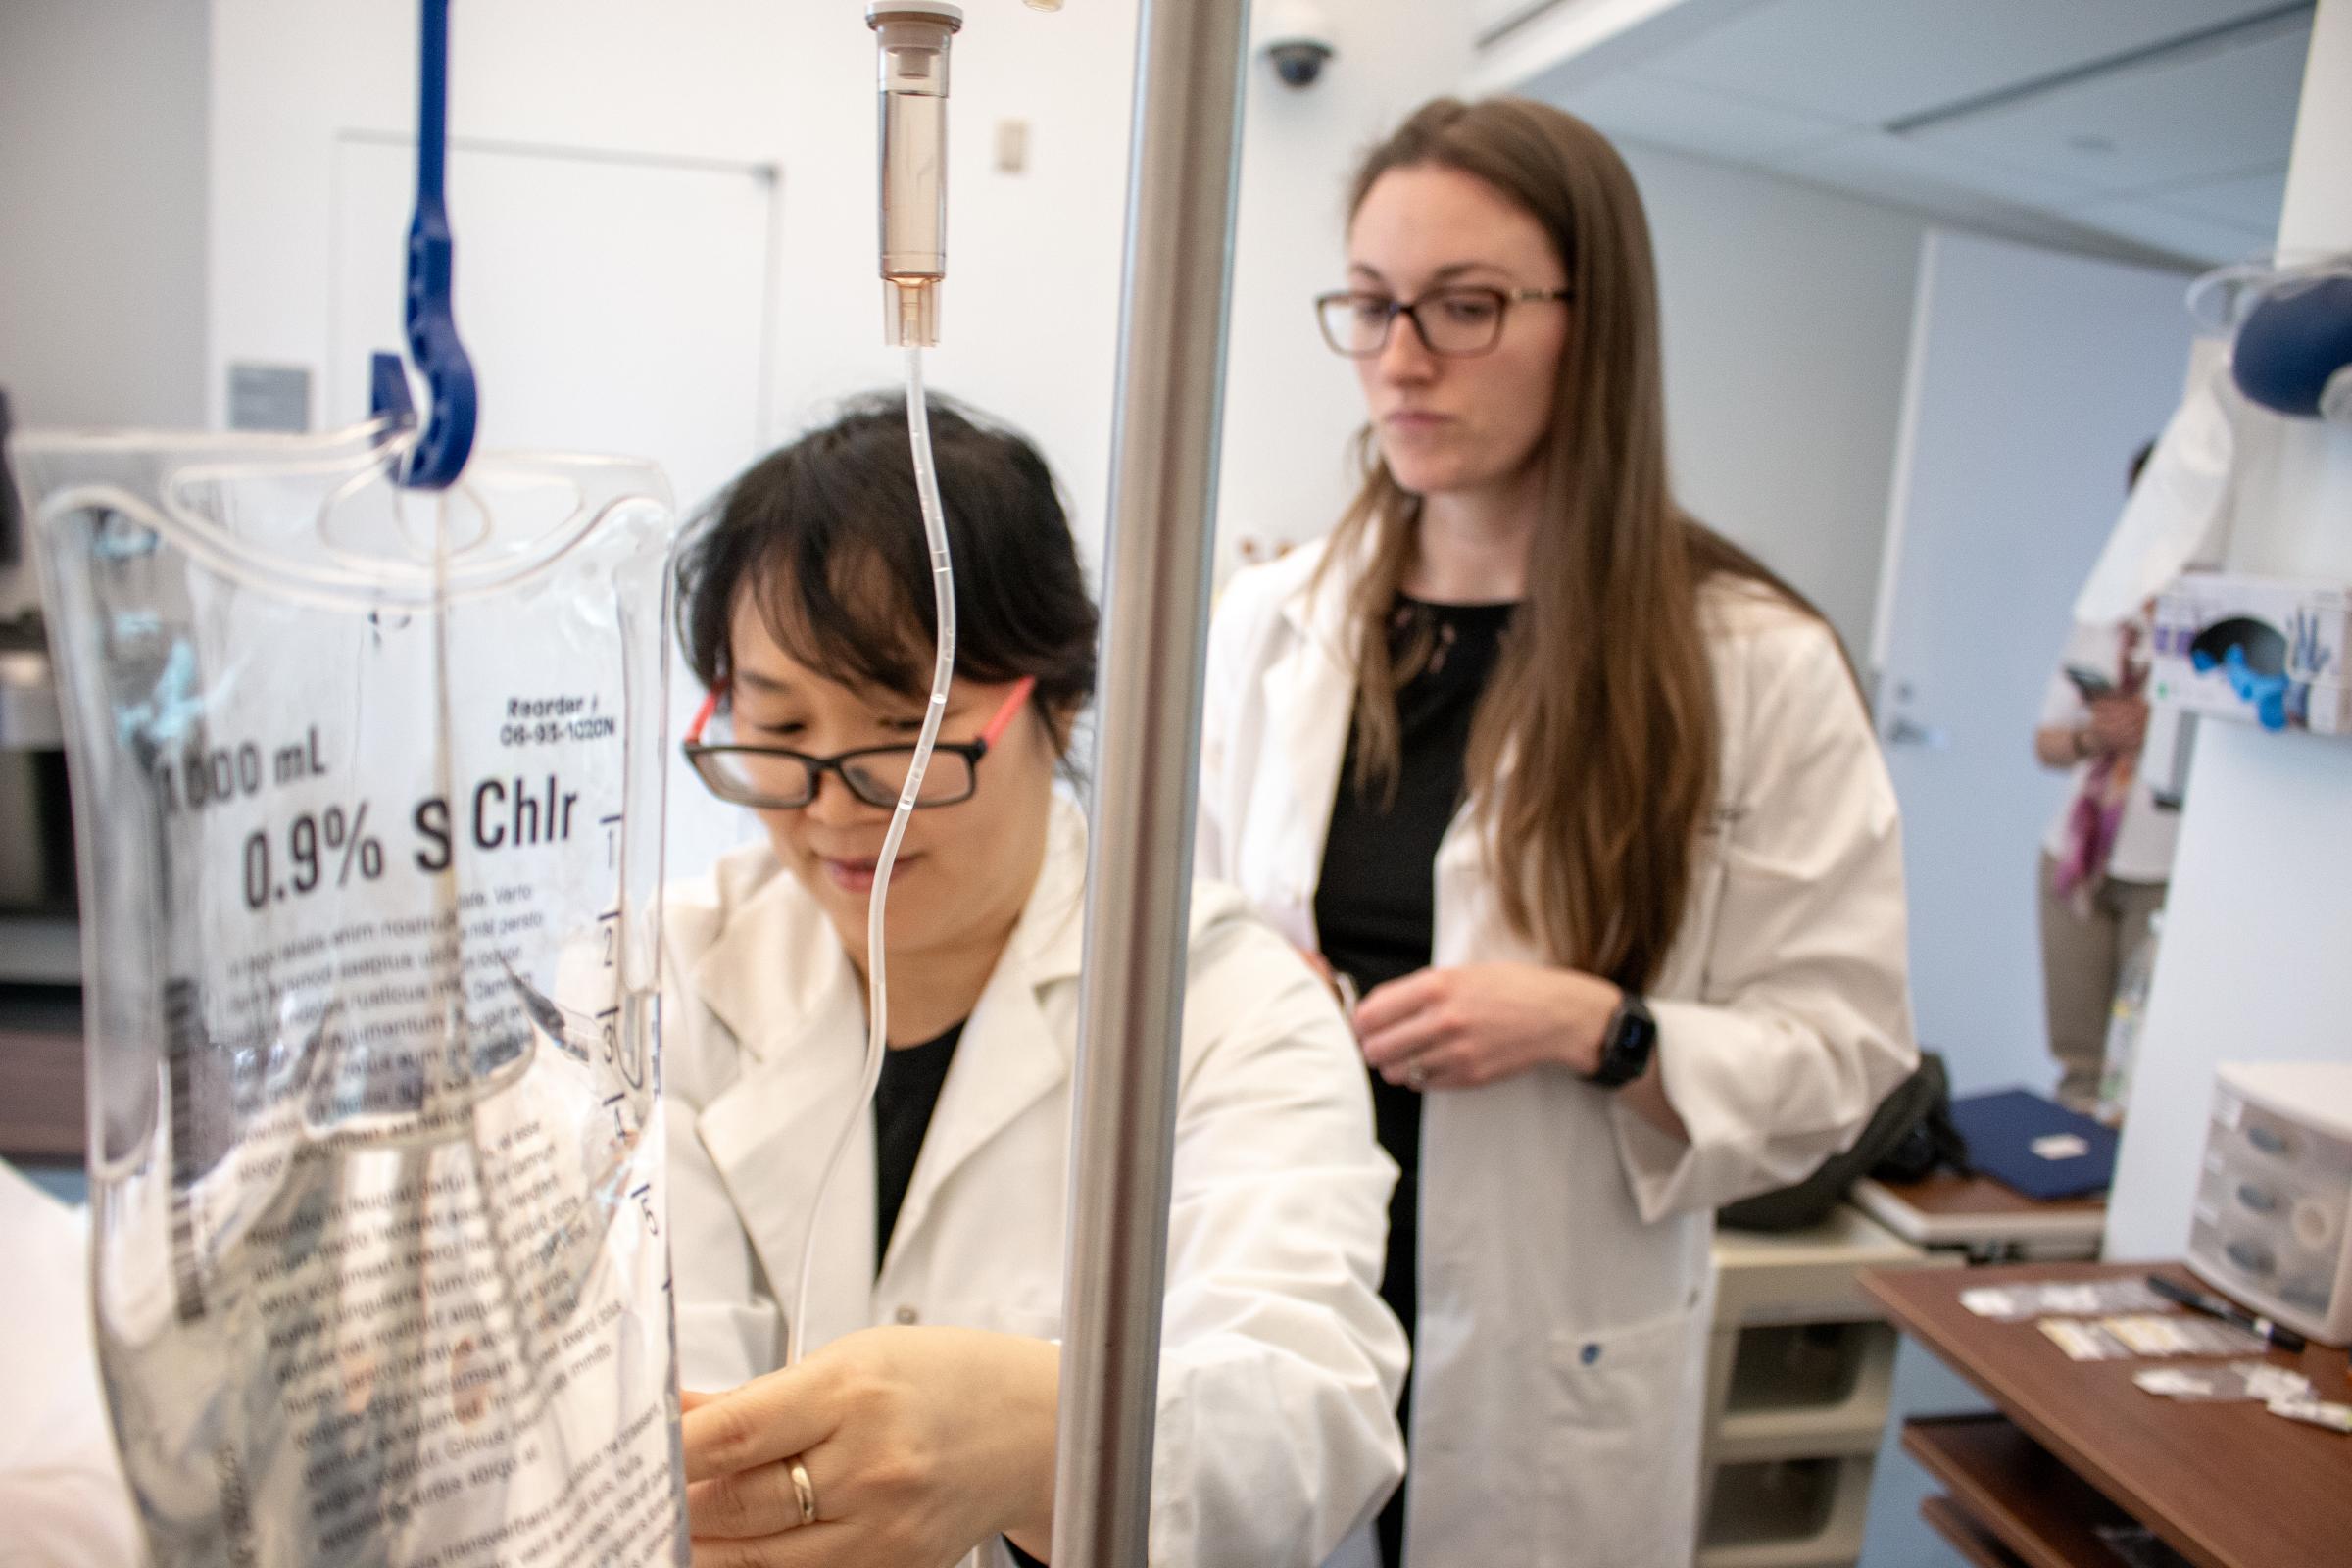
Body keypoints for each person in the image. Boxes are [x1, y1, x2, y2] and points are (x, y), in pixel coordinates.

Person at [1197, 98, 1917, 1568]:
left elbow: (1846, 1050)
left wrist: (1601, 1027)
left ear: (1596, 324)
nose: (1401, 359)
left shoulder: (1750, 660)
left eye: (1466, 308)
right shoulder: (1272, 631)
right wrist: (1270, 1003)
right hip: (1280, 1296)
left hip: (1550, 1355)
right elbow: (1184, 941)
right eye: (1374, 306)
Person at [662, 397, 1406, 1568]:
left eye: (906, 734)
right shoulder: (668, 976)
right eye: (782, 729)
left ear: (1054, 704)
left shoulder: (1220, 1005)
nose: (841, 807)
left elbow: (1310, 1411)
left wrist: (1042, 1434)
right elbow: (653, 1393)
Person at [2034, 446, 2177, 1114]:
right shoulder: (2104, 615)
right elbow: (2047, 740)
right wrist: (2099, 736)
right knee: (2079, 1064)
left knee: (2145, 1071)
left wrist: (2162, 727)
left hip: (2164, 868)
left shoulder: (2209, 622)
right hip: (2078, 858)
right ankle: (2072, 1201)